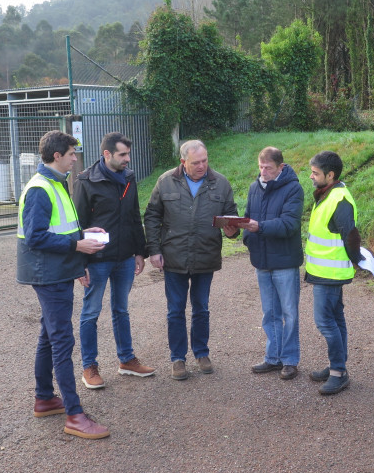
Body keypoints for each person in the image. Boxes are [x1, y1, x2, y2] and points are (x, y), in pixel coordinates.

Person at [16, 130, 110, 439]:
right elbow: (36, 236)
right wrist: (77, 245)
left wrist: (83, 236)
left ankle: (44, 398)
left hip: (56, 270)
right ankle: (74, 414)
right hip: (47, 274)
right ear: (57, 155)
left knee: (49, 335)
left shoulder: (54, 183)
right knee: (61, 342)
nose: (74, 158)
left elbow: (63, 228)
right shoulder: (41, 189)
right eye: (71, 153)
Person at [143, 139, 240, 380]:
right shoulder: (166, 181)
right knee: (175, 310)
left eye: (205, 160)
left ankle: (202, 353)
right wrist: (154, 250)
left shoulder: (220, 183)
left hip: (205, 256)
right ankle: (178, 358)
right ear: (183, 162)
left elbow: (232, 218)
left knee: (201, 308)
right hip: (173, 257)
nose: (202, 166)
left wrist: (233, 230)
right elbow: (152, 216)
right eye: (196, 162)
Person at [72, 132, 154, 390]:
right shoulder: (85, 180)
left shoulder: (128, 178)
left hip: (125, 258)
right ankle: (89, 367)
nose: (128, 159)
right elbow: (78, 226)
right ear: (107, 154)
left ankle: (127, 360)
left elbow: (133, 216)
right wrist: (79, 263)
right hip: (96, 260)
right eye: (123, 155)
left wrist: (140, 252)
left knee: (122, 310)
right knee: (91, 313)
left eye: (128, 154)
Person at [242, 147, 305, 380]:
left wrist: (259, 227)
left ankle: (289, 360)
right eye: (260, 167)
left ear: (281, 167)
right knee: (269, 313)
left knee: (289, 313)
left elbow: (289, 224)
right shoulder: (253, 188)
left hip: (286, 262)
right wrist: (245, 235)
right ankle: (273, 358)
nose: (263, 172)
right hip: (262, 261)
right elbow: (248, 216)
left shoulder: (293, 188)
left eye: (268, 168)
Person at [305, 150, 362, 395]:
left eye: (315, 173)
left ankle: (338, 373)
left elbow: (350, 234)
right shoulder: (328, 194)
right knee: (336, 320)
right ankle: (336, 367)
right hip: (326, 273)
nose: (311, 176)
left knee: (325, 322)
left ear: (330, 175)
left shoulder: (339, 199)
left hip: (329, 275)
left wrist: (358, 260)